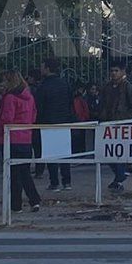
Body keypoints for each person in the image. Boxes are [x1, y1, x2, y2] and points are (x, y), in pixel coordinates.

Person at [0, 70, 41, 213]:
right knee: (25, 172)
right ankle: (34, 200)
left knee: (14, 174)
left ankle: (16, 205)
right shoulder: (29, 97)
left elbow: (7, 118)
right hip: (26, 138)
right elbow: (33, 116)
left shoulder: (10, 97)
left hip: (12, 138)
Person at [98, 63, 132, 191]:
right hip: (108, 125)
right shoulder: (108, 87)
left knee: (118, 153)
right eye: (111, 70)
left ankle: (119, 178)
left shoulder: (128, 87)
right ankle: (119, 177)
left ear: (122, 71)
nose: (113, 73)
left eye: (116, 70)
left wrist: (125, 119)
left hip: (122, 125)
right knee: (107, 154)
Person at [35, 58, 75, 192]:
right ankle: (67, 181)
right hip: (64, 121)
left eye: (42, 67)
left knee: (51, 154)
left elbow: (39, 106)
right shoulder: (64, 83)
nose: (40, 70)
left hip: (48, 123)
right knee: (64, 153)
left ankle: (54, 183)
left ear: (47, 68)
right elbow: (70, 101)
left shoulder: (43, 86)